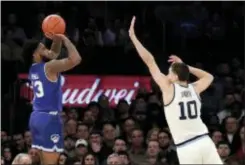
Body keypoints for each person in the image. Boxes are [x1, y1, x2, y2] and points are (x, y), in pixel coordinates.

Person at [128, 16, 222, 164]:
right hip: (205, 141)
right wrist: (186, 66)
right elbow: (209, 77)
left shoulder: (168, 89)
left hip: (187, 146)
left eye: (170, 72)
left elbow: (150, 61)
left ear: (175, 76)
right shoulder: (195, 88)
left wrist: (133, 37)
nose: (167, 74)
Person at [24, 33, 81, 165]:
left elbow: (53, 54)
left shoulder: (33, 68)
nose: (47, 51)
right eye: (43, 49)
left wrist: (57, 39)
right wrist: (66, 39)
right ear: (35, 54)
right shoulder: (49, 67)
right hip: (49, 119)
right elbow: (76, 59)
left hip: (36, 117)